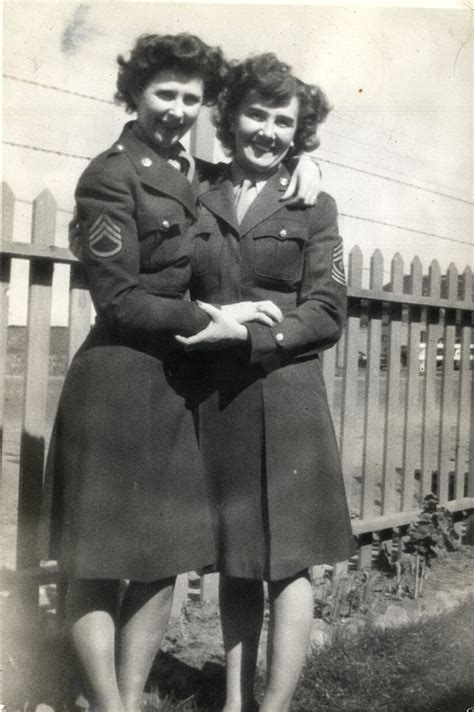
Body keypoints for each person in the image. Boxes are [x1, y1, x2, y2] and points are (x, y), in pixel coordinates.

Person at [41, 34, 322, 712]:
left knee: (162, 559)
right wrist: (213, 324)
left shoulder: (190, 173)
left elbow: (250, 182)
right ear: (134, 95)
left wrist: (307, 165)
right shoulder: (110, 175)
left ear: (204, 106)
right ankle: (109, 707)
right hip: (114, 383)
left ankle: (133, 699)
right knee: (101, 563)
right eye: (163, 93)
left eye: (189, 97)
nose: (175, 108)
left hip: (172, 391)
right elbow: (120, 298)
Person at [177, 53, 355, 712]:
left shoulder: (316, 203)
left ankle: (273, 708)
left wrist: (252, 336)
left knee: (289, 562)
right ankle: (233, 702)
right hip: (217, 403)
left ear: (298, 131)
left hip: (286, 401)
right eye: (257, 113)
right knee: (236, 558)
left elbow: (327, 309)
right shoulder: (198, 191)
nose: (268, 130)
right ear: (230, 118)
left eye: (284, 121)